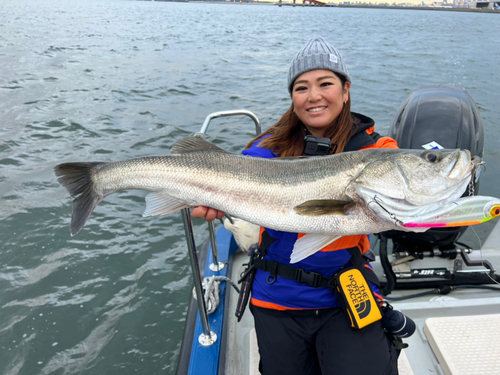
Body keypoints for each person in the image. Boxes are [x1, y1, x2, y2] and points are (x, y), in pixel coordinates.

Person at [193, 37, 400, 375]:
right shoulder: (268, 148)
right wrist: (205, 195)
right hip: (278, 296)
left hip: (346, 293)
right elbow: (235, 173)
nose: (314, 96)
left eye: (325, 83)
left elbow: (406, 190)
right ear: (292, 97)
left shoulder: (376, 151)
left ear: (346, 90)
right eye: (301, 87)